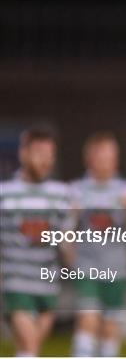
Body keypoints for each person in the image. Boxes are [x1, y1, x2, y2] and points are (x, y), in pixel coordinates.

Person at [0, 127, 74, 356]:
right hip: (16, 281)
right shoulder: (5, 193)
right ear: (24, 154)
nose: (45, 160)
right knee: (30, 345)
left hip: (47, 283)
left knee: (28, 351)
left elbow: (66, 238)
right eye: (39, 153)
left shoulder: (61, 194)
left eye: (50, 154)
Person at [71, 131, 126, 357]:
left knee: (111, 327)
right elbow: (65, 231)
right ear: (89, 158)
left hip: (117, 268)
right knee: (88, 319)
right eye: (101, 156)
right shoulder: (76, 189)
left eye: (111, 156)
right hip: (87, 266)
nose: (106, 161)